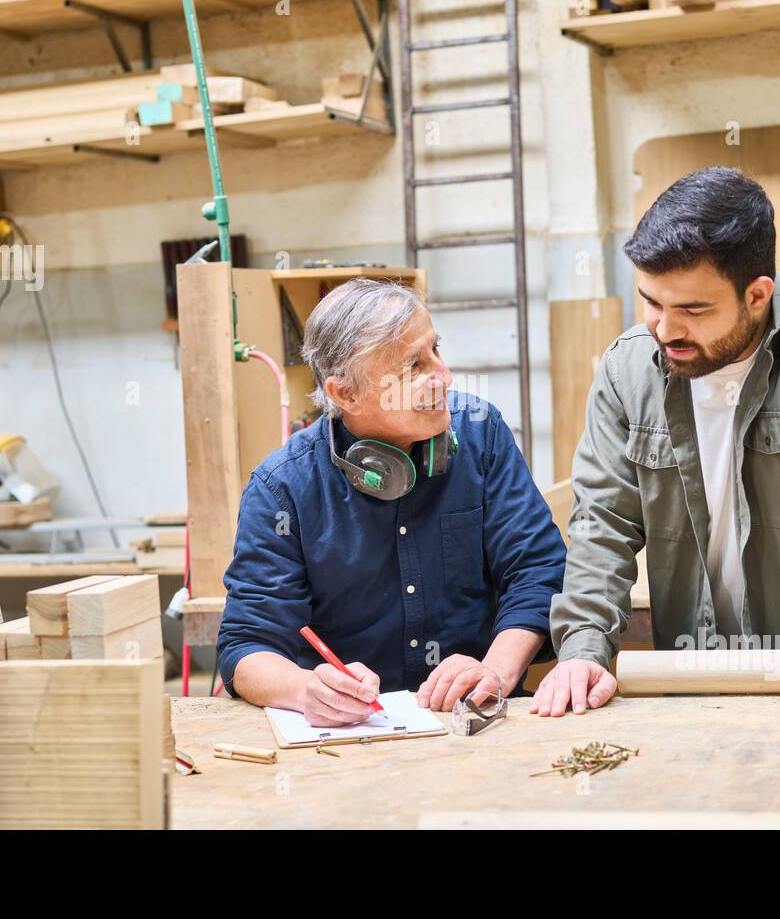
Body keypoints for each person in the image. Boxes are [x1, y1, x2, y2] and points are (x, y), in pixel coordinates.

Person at [535, 166, 780, 736]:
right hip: (693, 683)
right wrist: (582, 649)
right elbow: (602, 524)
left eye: (692, 311)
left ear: (757, 295)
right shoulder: (627, 371)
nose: (664, 329)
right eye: (650, 302)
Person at [216, 278, 566, 727]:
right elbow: (247, 642)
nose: (443, 376)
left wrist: (495, 670)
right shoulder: (281, 488)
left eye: (435, 350)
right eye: (412, 367)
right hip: (352, 738)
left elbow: (536, 571)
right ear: (346, 394)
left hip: (477, 721)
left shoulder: (481, 434)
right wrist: (306, 691)